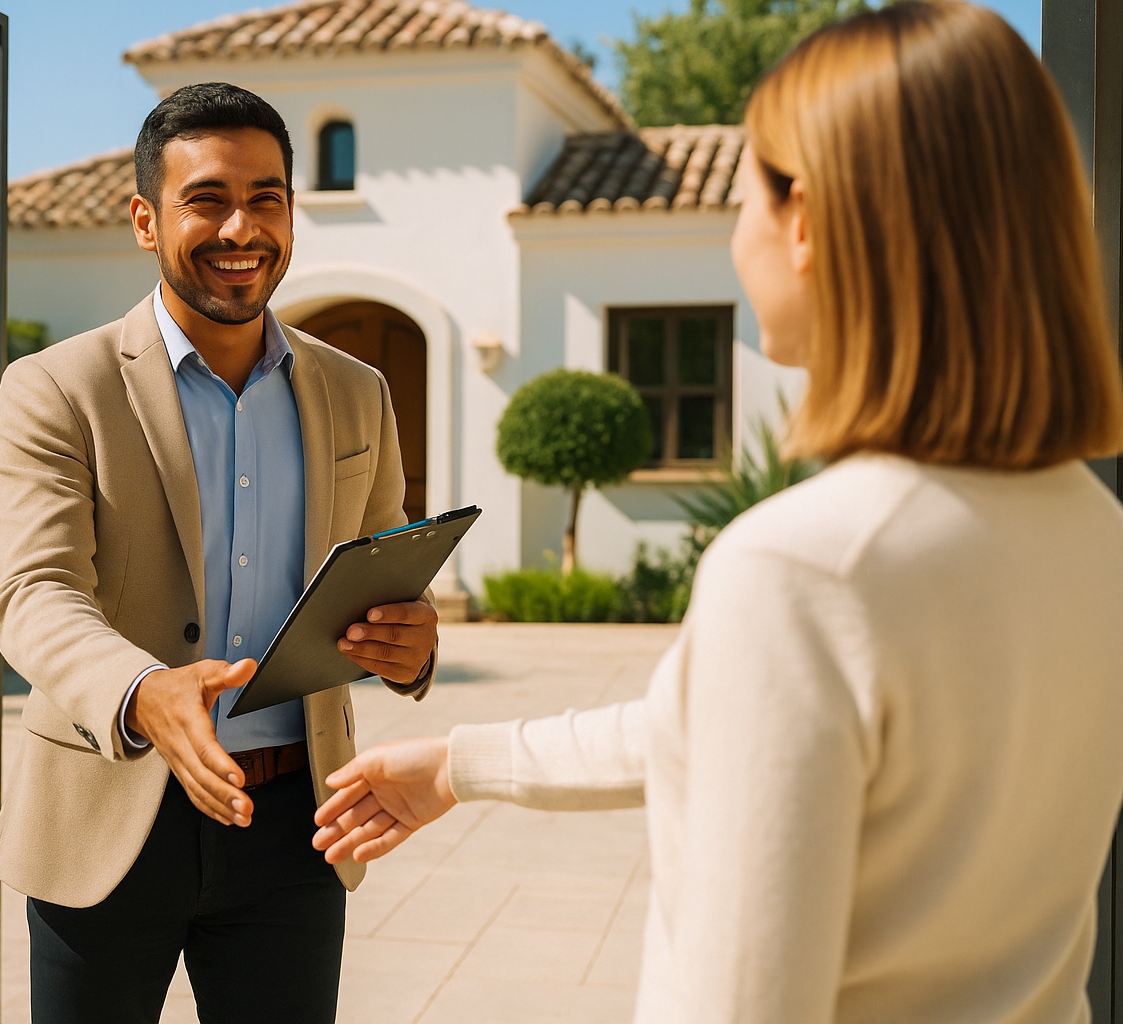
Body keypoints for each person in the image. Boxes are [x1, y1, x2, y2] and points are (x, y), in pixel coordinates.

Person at [312, 3, 1123, 1022]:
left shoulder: (804, 566)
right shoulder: (1091, 528)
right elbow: (735, 727)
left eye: (743, 196)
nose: (736, 234)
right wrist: (460, 764)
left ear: (811, 223)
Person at [0, 82, 438, 1024]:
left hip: (294, 826)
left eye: (266, 198)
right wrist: (143, 690)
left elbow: (386, 564)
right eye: (208, 199)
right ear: (146, 221)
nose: (243, 226)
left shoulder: (360, 392)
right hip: (106, 817)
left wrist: (412, 641)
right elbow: (34, 592)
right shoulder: (54, 390)